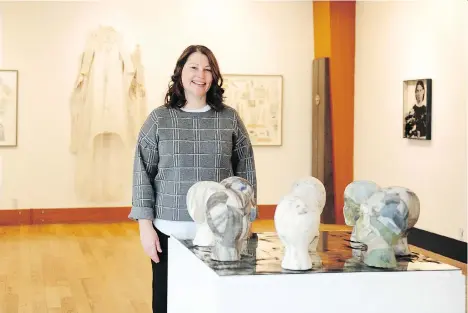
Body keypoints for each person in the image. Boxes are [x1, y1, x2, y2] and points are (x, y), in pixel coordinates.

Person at [128, 45, 257, 313]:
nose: (201, 74)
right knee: (167, 303)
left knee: (213, 303)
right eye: (194, 67)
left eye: (208, 69)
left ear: (215, 77)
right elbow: (142, 172)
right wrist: (145, 226)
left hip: (221, 232)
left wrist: (246, 221)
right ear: (180, 73)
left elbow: (246, 173)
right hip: (169, 231)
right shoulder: (159, 119)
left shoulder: (229, 119)